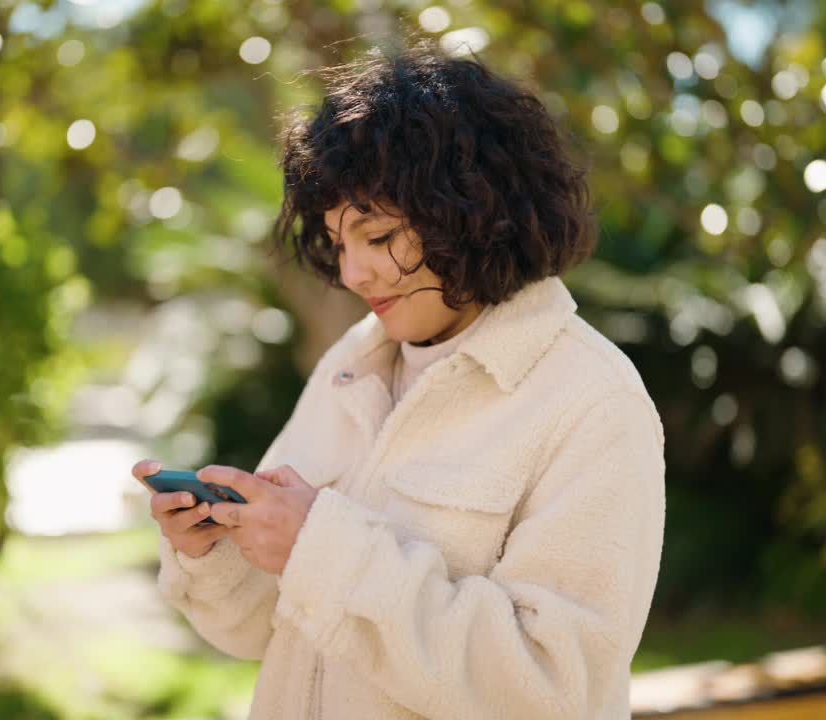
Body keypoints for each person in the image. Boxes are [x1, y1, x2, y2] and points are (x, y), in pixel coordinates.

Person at [132, 37, 665, 720]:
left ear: (476, 211)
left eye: (379, 237)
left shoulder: (594, 403)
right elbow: (257, 628)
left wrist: (322, 550)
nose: (353, 273)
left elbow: (550, 689)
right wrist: (214, 548)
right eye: (340, 240)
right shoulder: (353, 363)